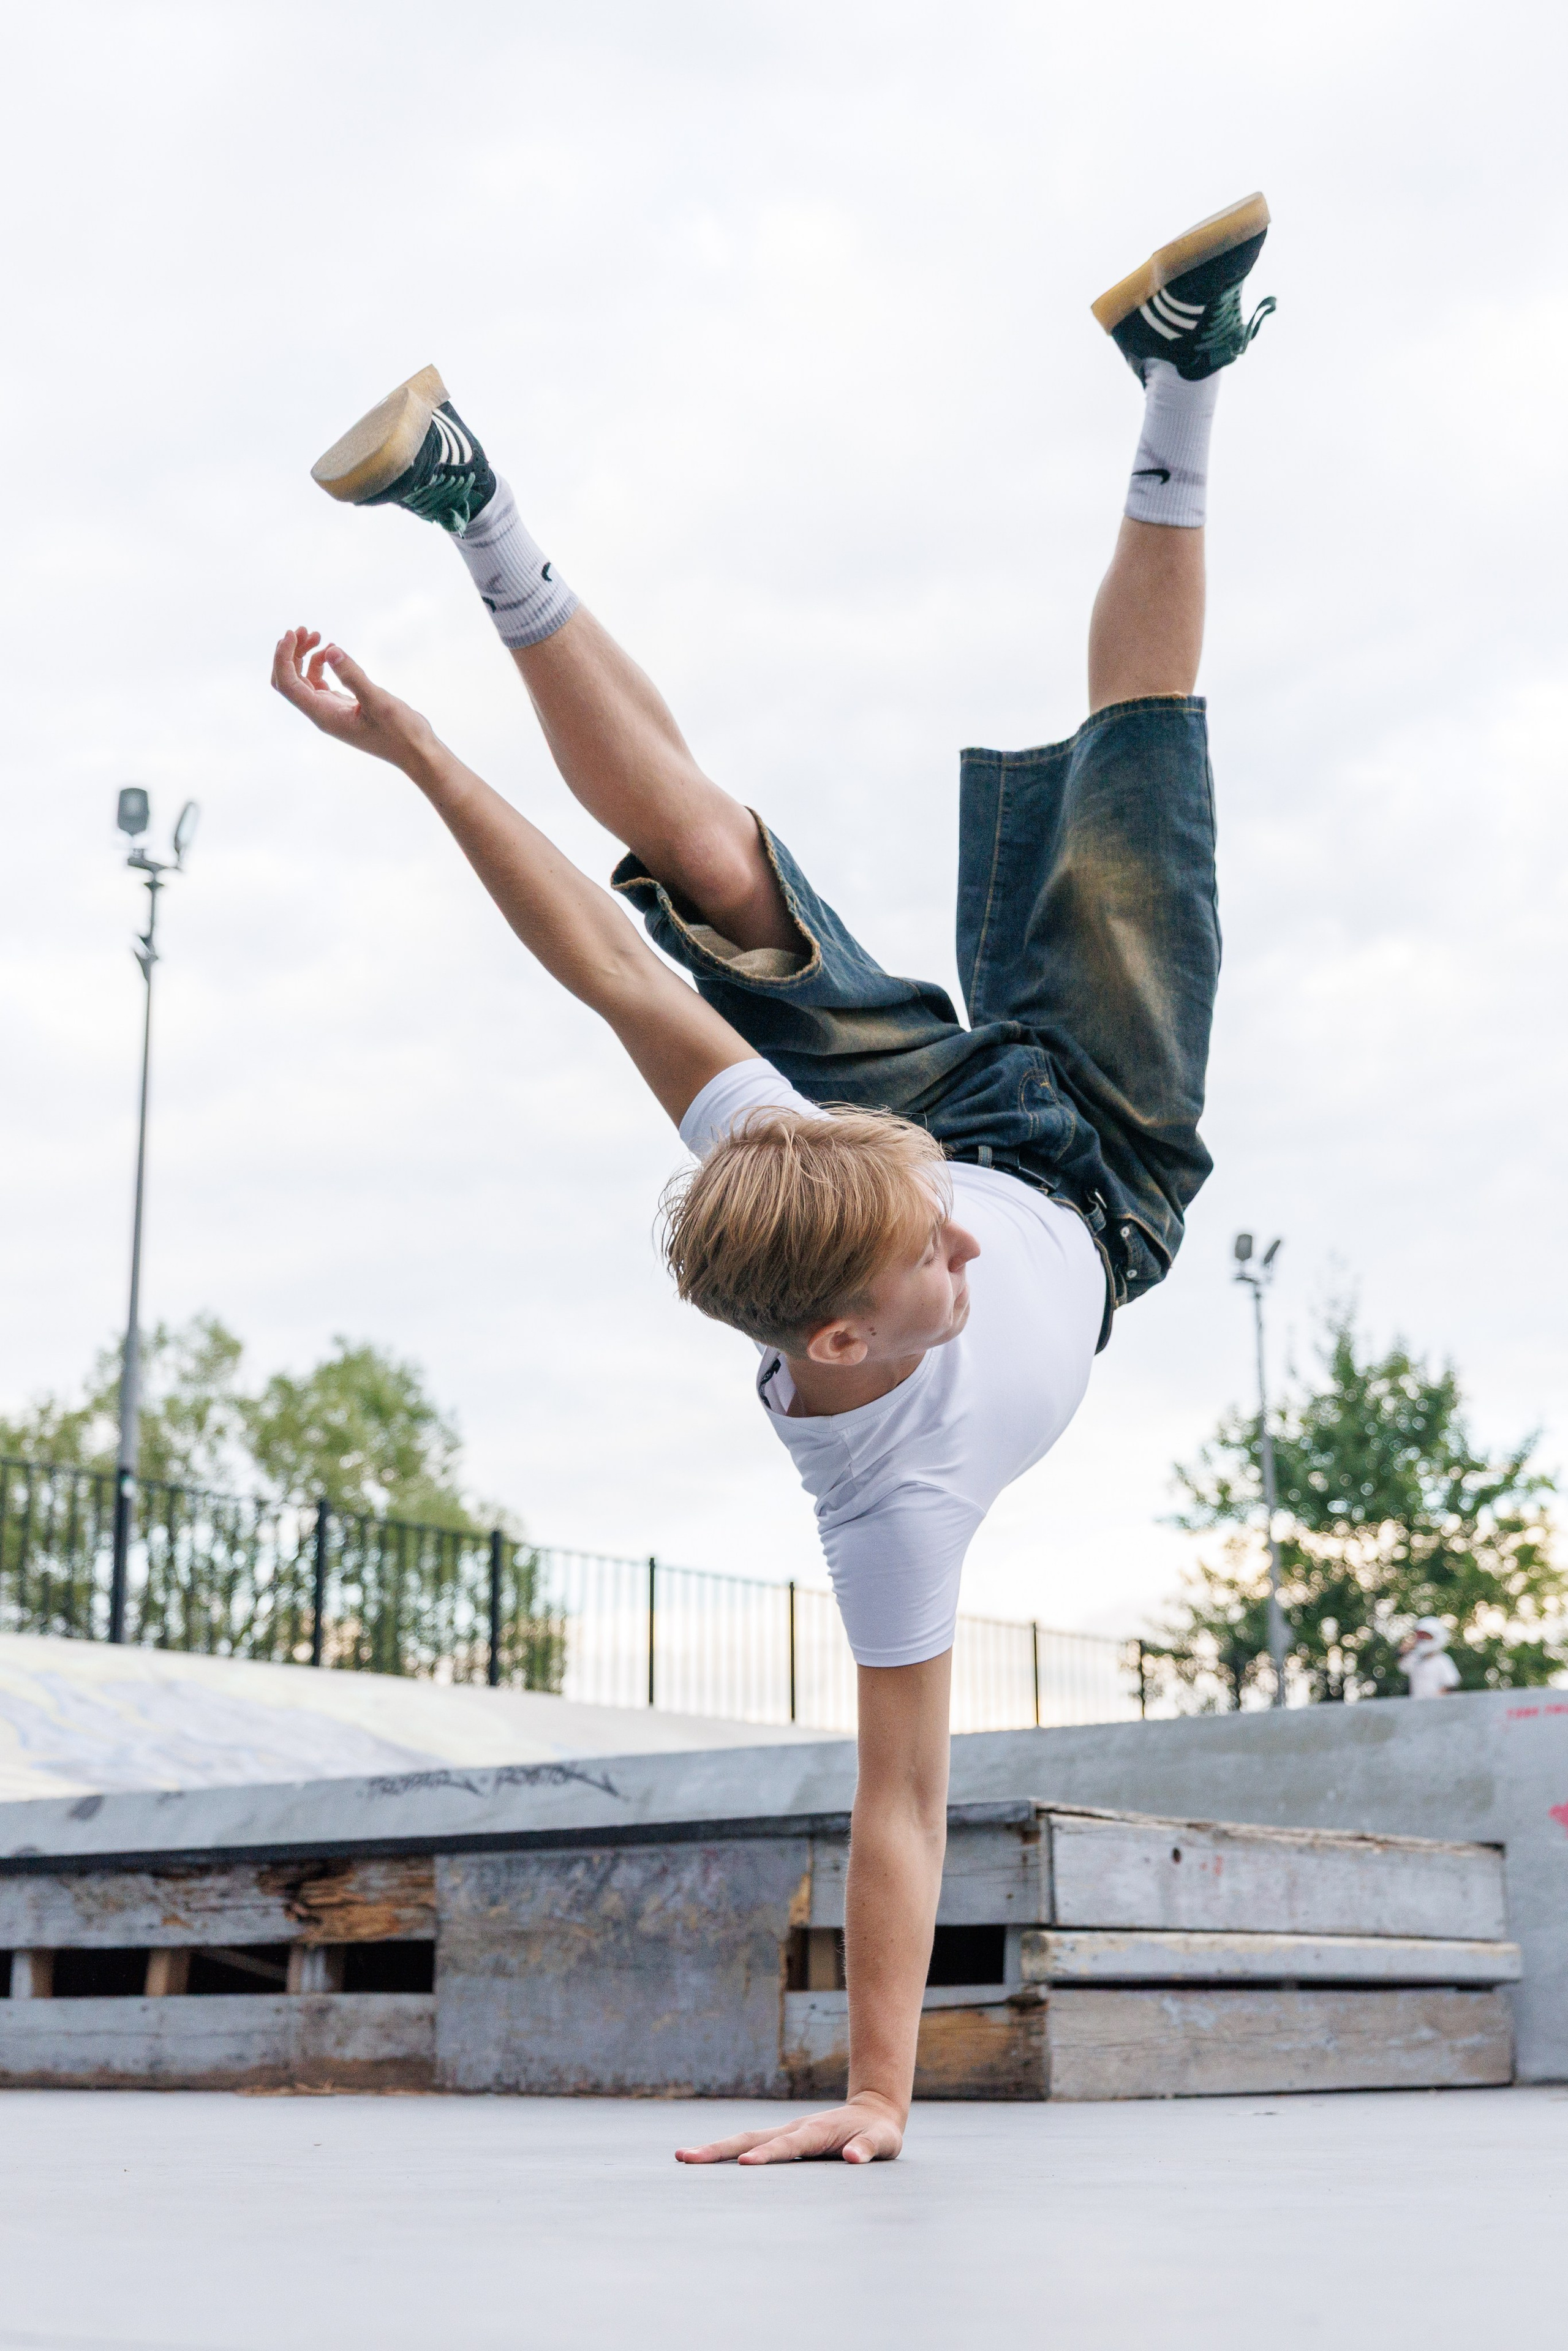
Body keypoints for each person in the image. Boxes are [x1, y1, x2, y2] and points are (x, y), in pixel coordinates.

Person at [273, 193, 1276, 2164]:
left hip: (950, 1097)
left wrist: (409, 751)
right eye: (939, 1267)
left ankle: (473, 499)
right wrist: (878, 2093)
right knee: (1140, 755)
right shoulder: (891, 1507)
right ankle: (1180, 367)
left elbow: (593, 953)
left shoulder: (788, 1167)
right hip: (1118, 1169)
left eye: (930, 1235)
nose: (962, 1260)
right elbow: (895, 1803)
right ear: (842, 1335)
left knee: (714, 875)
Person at [1400, 1618, 1462, 1699]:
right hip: (1418, 1707)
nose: (1422, 1639)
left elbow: (1451, 1684)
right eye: (1420, 1636)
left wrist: (1436, 1698)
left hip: (1438, 1707)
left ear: (1437, 1636)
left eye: (1426, 1636)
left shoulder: (1442, 1660)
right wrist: (1402, 1652)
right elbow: (1402, 1667)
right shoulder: (1415, 1659)